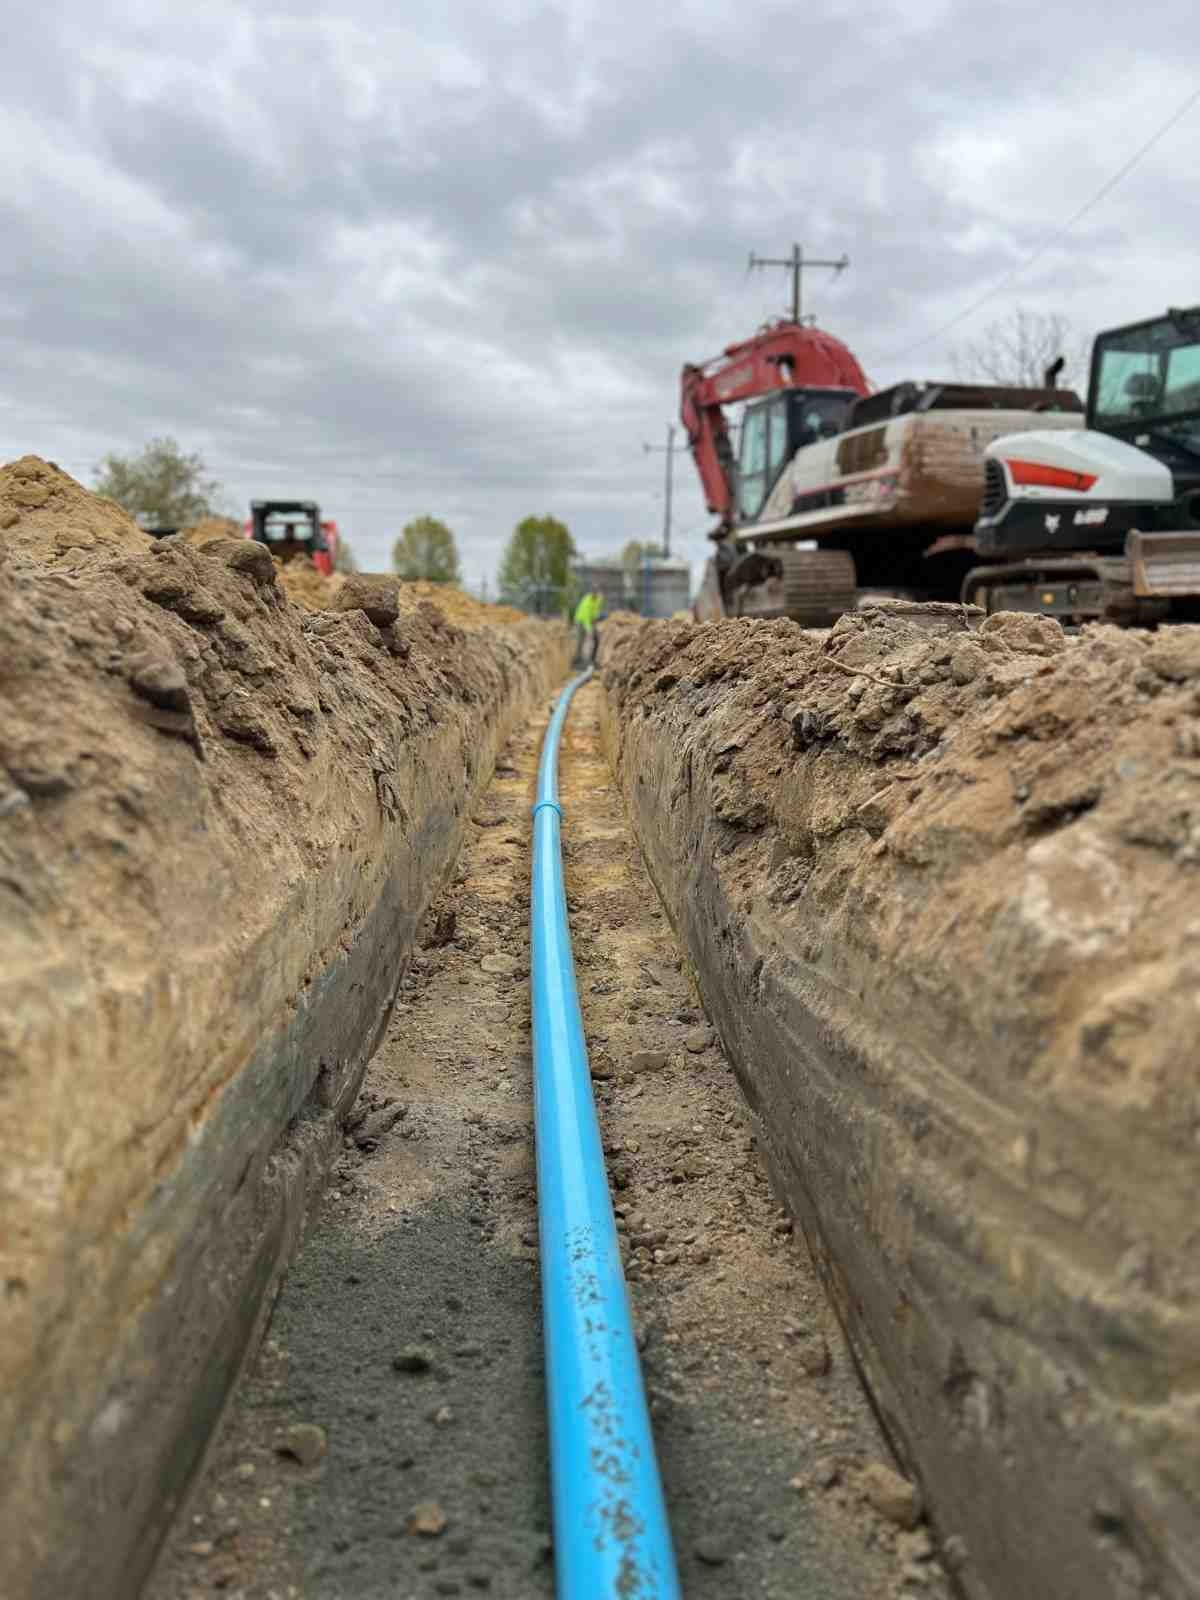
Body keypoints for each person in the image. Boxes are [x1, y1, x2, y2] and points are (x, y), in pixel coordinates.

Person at [572, 586, 605, 666]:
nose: (596, 595)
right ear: (591, 593)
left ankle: (592, 660)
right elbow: (586, 618)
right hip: (581, 621)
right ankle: (577, 661)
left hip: (591, 621)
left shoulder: (598, 600)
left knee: (596, 640)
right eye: (594, 593)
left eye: (597, 593)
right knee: (581, 640)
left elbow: (597, 609)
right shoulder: (587, 602)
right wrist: (589, 630)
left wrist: (595, 620)